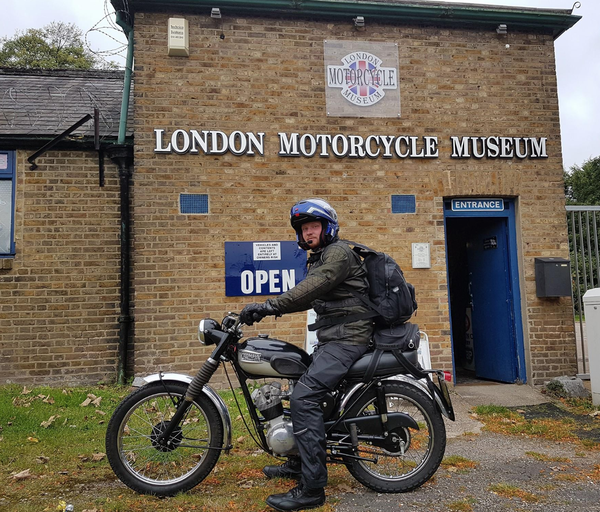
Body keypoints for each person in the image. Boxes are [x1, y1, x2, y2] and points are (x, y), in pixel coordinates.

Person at [240, 198, 373, 512]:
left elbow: (308, 290)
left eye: (314, 226)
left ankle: (312, 489)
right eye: (304, 228)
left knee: (304, 399)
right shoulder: (320, 257)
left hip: (348, 339)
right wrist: (266, 309)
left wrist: (266, 307)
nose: (308, 232)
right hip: (334, 339)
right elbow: (308, 295)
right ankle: (298, 464)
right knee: (298, 387)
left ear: (328, 227)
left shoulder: (338, 254)